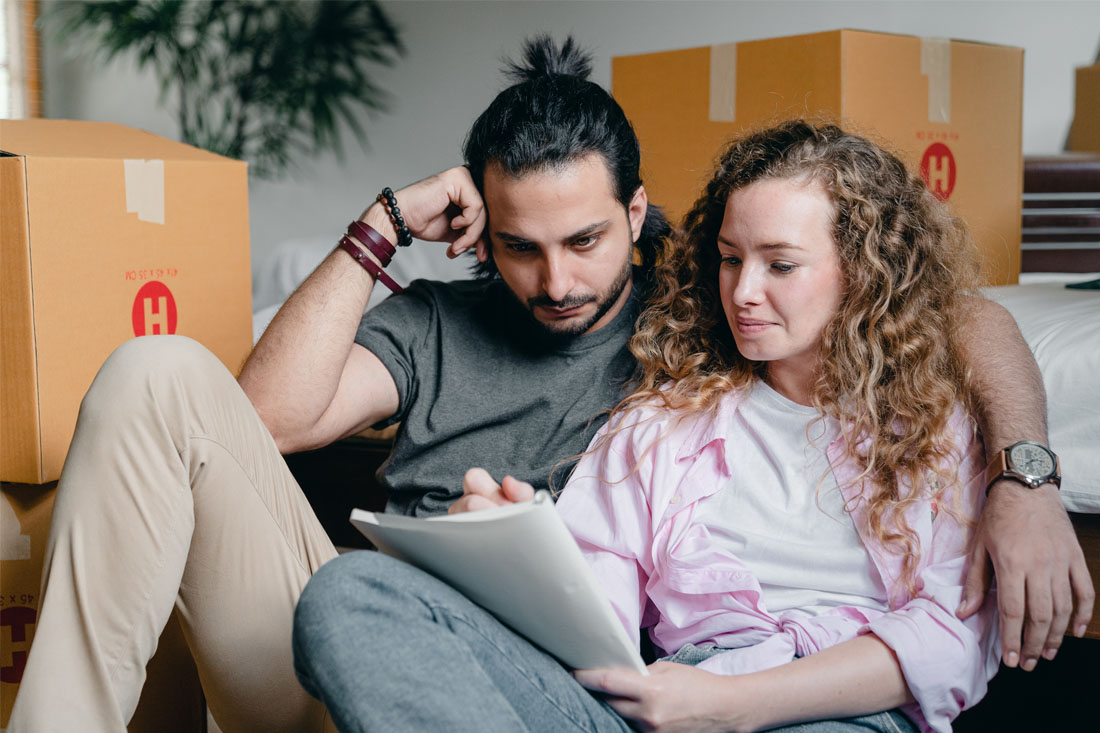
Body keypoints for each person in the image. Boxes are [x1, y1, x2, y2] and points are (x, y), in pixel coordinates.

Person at [8, 35, 1088, 731]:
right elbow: (263, 424)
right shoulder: (449, 325)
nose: (557, 282)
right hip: (388, 652)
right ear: (481, 229)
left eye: (583, 240)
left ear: (636, 214)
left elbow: (955, 313)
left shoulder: (696, 314)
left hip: (547, 687)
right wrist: (383, 225)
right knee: (159, 371)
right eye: (520, 247)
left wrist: (1026, 477)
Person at [292, 121, 1005, 732]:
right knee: (352, 591)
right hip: (650, 706)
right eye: (730, 259)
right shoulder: (664, 418)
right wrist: (515, 558)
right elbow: (594, 618)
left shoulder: (936, 424)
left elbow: (954, 638)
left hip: (831, 712)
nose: (744, 292)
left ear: (866, 271)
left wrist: (733, 705)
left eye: (781, 265)